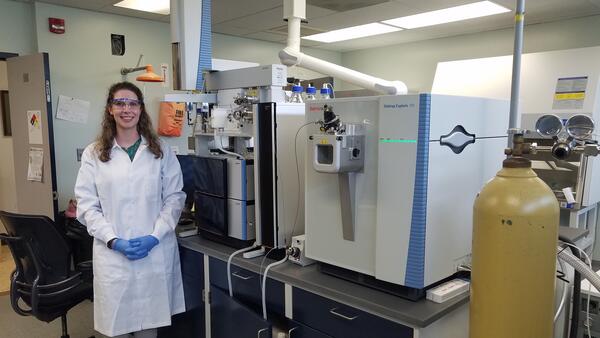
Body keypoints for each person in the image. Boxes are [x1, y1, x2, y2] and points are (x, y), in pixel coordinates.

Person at [75, 81, 186, 338]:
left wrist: (154, 236)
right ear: (110, 109)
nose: (127, 109)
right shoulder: (94, 153)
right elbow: (87, 206)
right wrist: (113, 241)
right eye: (120, 103)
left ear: (141, 109)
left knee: (149, 330)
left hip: (154, 253)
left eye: (133, 103)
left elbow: (175, 198)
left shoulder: (161, 151)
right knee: (116, 331)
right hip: (113, 256)